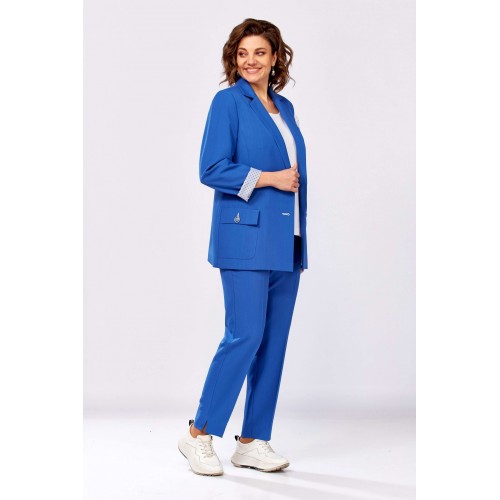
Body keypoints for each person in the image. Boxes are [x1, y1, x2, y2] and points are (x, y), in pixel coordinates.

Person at [178, 18, 309, 476]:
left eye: (260, 53)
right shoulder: (227, 102)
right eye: (242, 53)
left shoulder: (284, 107)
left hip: (286, 240)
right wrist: (269, 178)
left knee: (272, 343)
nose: (250, 60)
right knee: (245, 335)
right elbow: (211, 167)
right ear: (234, 60)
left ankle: (252, 441)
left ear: (275, 59)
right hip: (245, 239)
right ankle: (198, 434)